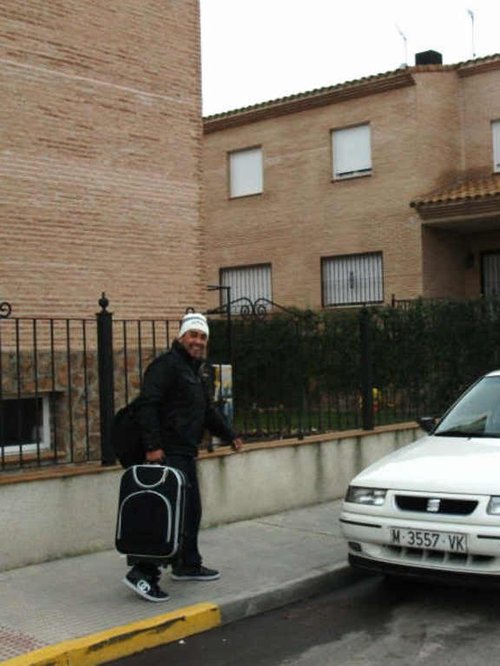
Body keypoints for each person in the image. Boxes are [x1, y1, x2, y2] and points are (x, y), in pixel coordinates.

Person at [123, 312, 243, 602]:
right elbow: (147, 407)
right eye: (193, 335)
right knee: (163, 514)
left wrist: (230, 435)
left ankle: (186, 564)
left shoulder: (196, 371)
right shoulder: (165, 367)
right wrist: (153, 447)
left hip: (186, 452)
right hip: (166, 453)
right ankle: (142, 572)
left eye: (202, 337)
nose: (198, 341)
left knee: (190, 512)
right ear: (181, 337)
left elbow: (207, 411)